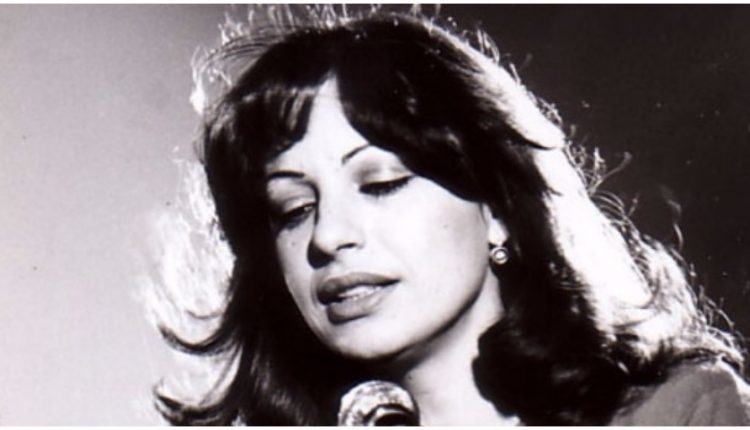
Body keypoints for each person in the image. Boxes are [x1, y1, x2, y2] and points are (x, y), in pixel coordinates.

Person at [149, 5, 750, 425]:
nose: (328, 236)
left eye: (380, 184)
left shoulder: (681, 413)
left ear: (498, 207)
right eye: (294, 209)